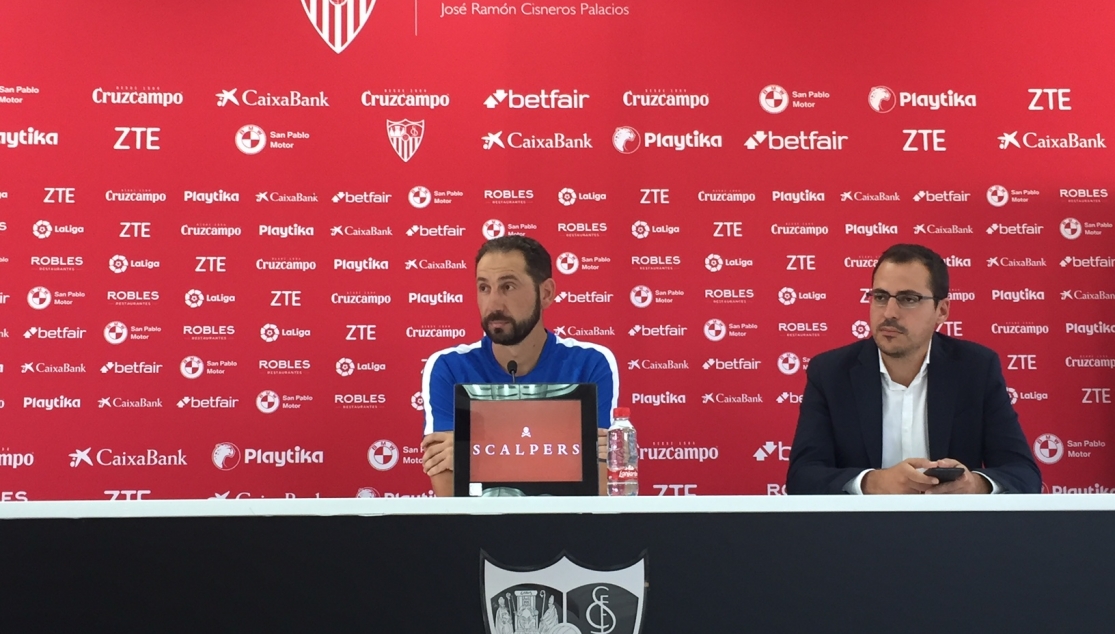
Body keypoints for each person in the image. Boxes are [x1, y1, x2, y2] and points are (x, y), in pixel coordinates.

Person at [786, 244, 1041, 494]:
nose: (889, 312)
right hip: (861, 531)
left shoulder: (976, 368)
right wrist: (873, 483)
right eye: (881, 297)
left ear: (941, 311)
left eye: (908, 299)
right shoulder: (831, 373)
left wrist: (974, 485)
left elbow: (1023, 474)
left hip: (950, 530)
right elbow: (802, 477)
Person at [420, 236, 620, 496]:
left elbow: (600, 484)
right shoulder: (448, 367)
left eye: (508, 287)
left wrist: (473, 452)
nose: (493, 304)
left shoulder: (590, 363)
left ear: (546, 293)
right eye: (484, 288)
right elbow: (449, 491)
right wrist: (563, 451)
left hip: (566, 530)